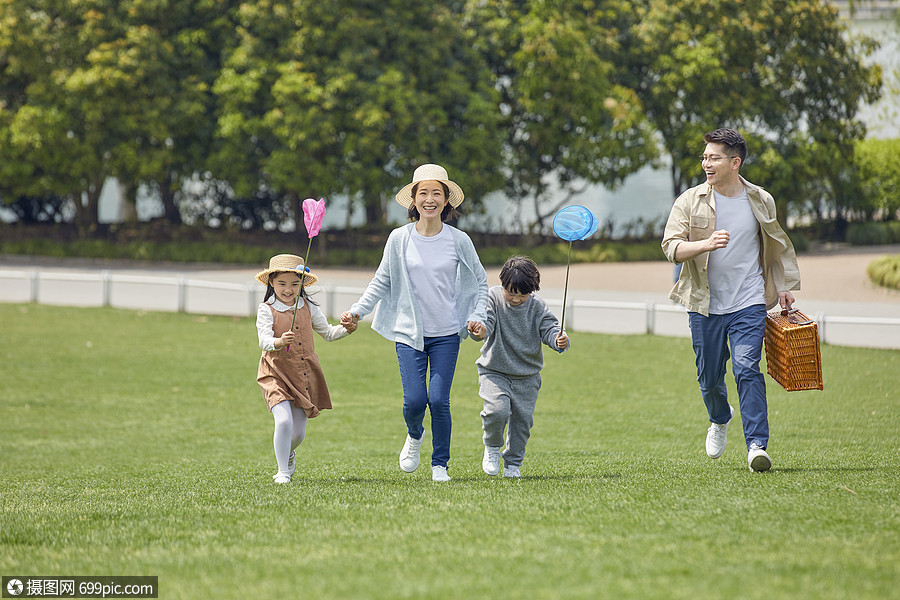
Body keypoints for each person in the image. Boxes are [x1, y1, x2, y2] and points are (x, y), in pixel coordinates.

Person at [661, 128, 801, 473]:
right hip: (704, 303)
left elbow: (775, 245)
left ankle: (757, 446)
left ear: (735, 162)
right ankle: (720, 417)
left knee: (746, 368)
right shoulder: (690, 200)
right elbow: (671, 247)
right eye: (705, 157)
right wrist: (705, 244)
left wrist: (783, 285)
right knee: (709, 379)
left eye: (714, 157)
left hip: (749, 301)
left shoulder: (761, 199)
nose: (706, 163)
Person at [340, 164, 488, 482]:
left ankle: (440, 465)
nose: (429, 199)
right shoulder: (399, 238)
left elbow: (481, 283)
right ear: (414, 199)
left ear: (446, 201)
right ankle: (415, 433)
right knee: (415, 401)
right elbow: (381, 281)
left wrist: (477, 317)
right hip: (409, 333)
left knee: (439, 400)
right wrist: (357, 311)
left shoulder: (459, 240)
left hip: (447, 333)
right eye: (423, 193)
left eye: (436, 193)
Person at [255, 254, 357, 484]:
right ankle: (282, 471)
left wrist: (348, 329)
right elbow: (264, 340)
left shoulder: (308, 306)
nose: (288, 289)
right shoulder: (266, 309)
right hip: (275, 372)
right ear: (271, 282)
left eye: (294, 284)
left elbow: (328, 333)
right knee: (283, 421)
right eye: (282, 283)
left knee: (298, 433)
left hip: (302, 373)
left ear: (302, 283)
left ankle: (289, 453)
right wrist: (279, 341)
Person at [469, 256, 569, 478]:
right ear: (502, 282)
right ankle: (492, 448)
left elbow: (550, 329)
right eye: (511, 293)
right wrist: (480, 331)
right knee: (496, 411)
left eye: (522, 295)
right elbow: (486, 322)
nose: (516, 299)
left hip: (527, 376)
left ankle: (512, 464)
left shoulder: (537, 306)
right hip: (494, 371)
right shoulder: (492, 298)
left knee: (522, 423)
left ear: (532, 290)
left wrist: (559, 340)